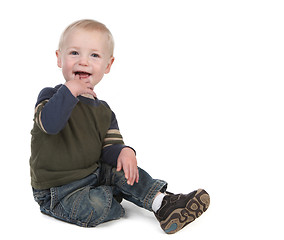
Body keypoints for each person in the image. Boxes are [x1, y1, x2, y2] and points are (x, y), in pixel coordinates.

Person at [29, 19, 210, 234]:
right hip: (58, 190)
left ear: (107, 65)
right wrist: (70, 90)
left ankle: (163, 204)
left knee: (124, 169)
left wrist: (124, 151)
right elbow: (50, 124)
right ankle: (114, 196)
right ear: (59, 58)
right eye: (74, 53)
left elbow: (110, 146)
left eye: (94, 55)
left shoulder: (104, 111)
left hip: (93, 173)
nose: (84, 62)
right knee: (96, 207)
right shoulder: (50, 96)